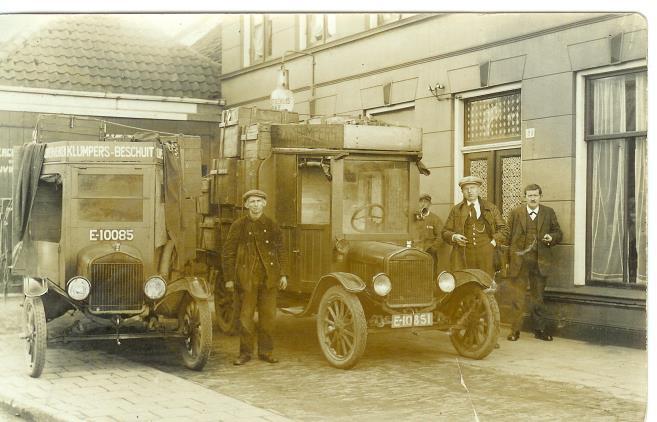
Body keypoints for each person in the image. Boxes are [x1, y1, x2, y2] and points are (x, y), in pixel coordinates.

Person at [222, 189, 288, 365]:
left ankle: (266, 352)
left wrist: (283, 274)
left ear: (265, 204)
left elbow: (281, 250)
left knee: (268, 318)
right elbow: (228, 253)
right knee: (246, 318)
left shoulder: (272, 225)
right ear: (246, 205)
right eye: (252, 201)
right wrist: (229, 278)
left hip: (268, 279)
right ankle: (245, 353)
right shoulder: (238, 225)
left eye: (259, 201)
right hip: (246, 279)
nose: (255, 205)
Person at [505, 183, 562, 342]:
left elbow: (558, 233)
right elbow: (508, 238)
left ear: (540, 196)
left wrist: (552, 238)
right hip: (520, 262)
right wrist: (508, 261)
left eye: (535, 195)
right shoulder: (515, 213)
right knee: (518, 297)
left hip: (540, 262)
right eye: (529, 195)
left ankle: (540, 330)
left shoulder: (548, 213)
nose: (532, 198)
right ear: (525, 197)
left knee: (538, 298)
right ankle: (515, 331)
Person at [441, 176, 506, 278]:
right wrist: (454, 237)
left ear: (479, 189)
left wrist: (493, 243)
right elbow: (445, 232)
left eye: (473, 188)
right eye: (466, 189)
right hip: (464, 255)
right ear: (462, 191)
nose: (470, 191)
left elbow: (504, 229)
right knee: (466, 284)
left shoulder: (491, 208)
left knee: (486, 285)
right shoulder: (456, 210)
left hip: (486, 255)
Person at [413, 193, 443, 275]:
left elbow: (440, 236)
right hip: (414, 252)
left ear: (430, 204)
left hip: (429, 252)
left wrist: (433, 248)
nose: (423, 204)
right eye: (421, 201)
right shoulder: (413, 218)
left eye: (426, 202)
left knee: (430, 274)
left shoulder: (435, 219)